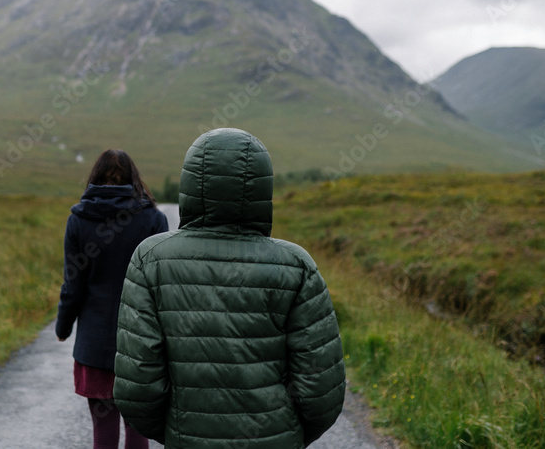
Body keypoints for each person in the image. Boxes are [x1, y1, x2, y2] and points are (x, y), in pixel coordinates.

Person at [114, 128, 346, 448]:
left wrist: (175, 433)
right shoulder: (296, 265)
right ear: (262, 187)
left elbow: (138, 386)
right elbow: (321, 389)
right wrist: (287, 434)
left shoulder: (150, 259)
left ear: (192, 183)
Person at [56, 149, 169, 449]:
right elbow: (161, 287)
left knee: (103, 428)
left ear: (94, 177)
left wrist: (63, 327)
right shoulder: (153, 220)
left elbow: (73, 285)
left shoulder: (79, 220)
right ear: (135, 178)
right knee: (137, 427)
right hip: (141, 342)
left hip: (94, 345)